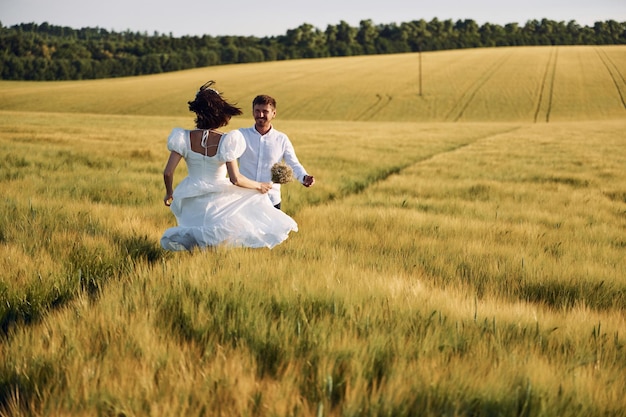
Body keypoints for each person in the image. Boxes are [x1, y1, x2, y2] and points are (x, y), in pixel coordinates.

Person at [160, 81, 298, 251]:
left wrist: (169, 192)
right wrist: (259, 186)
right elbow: (235, 179)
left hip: (190, 197)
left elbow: (168, 173)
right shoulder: (227, 140)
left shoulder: (182, 137)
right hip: (218, 200)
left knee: (193, 241)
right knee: (216, 240)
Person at [239, 94, 315, 210]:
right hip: (244, 199)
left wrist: (304, 177)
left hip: (271, 200)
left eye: (265, 111)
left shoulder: (281, 139)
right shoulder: (241, 135)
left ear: (274, 113)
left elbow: (293, 164)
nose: (260, 115)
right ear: (252, 112)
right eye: (257, 111)